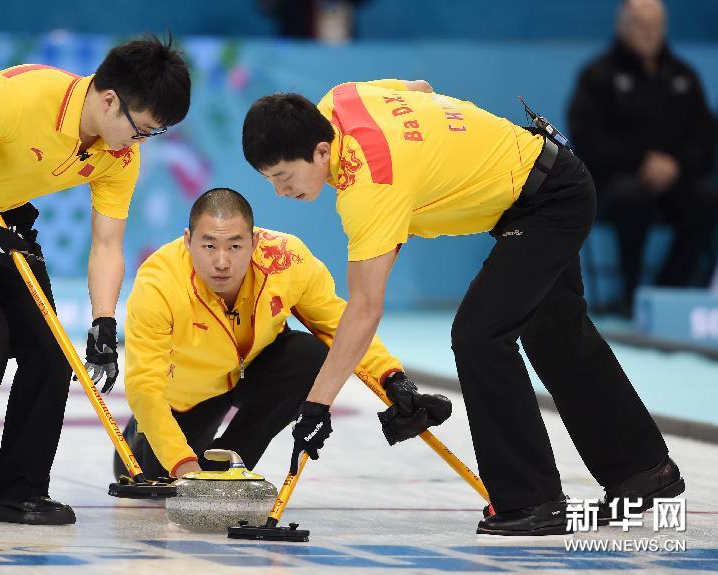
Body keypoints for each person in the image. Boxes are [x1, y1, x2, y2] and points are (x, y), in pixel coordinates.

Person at [242, 77, 684, 536]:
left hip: (549, 201)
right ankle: (644, 472)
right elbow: (420, 88)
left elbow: (365, 309)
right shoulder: (341, 98)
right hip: (546, 179)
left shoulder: (370, 184)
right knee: (555, 331)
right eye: (269, 180)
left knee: (479, 335)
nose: (280, 192)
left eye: (283, 177)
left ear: (319, 151)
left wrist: (317, 406)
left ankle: (532, 499)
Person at [0, 36, 190, 526]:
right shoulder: (21, 98)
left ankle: (15, 491)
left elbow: (107, 244)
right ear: (110, 100)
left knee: (50, 353)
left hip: (4, 221)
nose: (139, 143)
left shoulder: (118, 156)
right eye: (142, 130)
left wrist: (104, 323)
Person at [113, 187, 451, 480]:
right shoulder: (158, 282)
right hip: (189, 395)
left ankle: (232, 463)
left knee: (309, 355)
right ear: (188, 241)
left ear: (254, 241)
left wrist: (393, 378)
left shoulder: (286, 260)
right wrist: (183, 465)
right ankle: (141, 437)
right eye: (209, 246)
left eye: (234, 246)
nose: (221, 262)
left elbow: (340, 324)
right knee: (153, 475)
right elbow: (145, 384)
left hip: (259, 369)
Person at [568, 0, 718, 315]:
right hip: (618, 182)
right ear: (621, 26)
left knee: (707, 198)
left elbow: (705, 135)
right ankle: (631, 294)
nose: (649, 33)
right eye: (640, 24)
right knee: (631, 198)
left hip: (676, 181)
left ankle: (669, 292)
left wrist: (676, 165)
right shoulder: (598, 76)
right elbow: (588, 138)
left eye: (655, 25)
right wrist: (641, 162)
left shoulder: (684, 76)